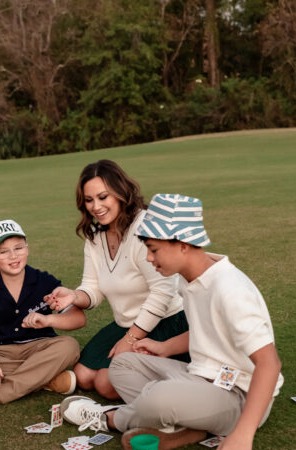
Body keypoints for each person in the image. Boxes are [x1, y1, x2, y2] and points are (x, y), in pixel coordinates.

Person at [61, 194, 283, 450]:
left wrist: (244, 435)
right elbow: (211, 331)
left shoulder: (230, 291)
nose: (148, 258)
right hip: (201, 377)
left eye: (153, 249)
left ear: (183, 245)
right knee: (122, 364)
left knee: (159, 397)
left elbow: (270, 364)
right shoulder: (188, 279)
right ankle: (193, 427)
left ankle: (113, 418)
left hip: (239, 395)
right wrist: (163, 348)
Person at [45, 159, 189, 399]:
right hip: (125, 323)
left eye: (103, 197)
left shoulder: (144, 228)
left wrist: (130, 340)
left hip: (165, 322)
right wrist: (73, 296)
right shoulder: (95, 237)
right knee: (83, 376)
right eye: (89, 200)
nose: (96, 206)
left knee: (105, 383)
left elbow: (163, 292)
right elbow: (92, 289)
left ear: (120, 193)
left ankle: (177, 383)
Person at [0, 219, 86, 409]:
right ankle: (47, 379)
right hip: (0, 353)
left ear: (27, 248)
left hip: (41, 349)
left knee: (69, 346)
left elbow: (78, 318)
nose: (13, 256)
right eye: (3, 251)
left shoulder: (44, 281)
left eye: (18, 248)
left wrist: (49, 319)